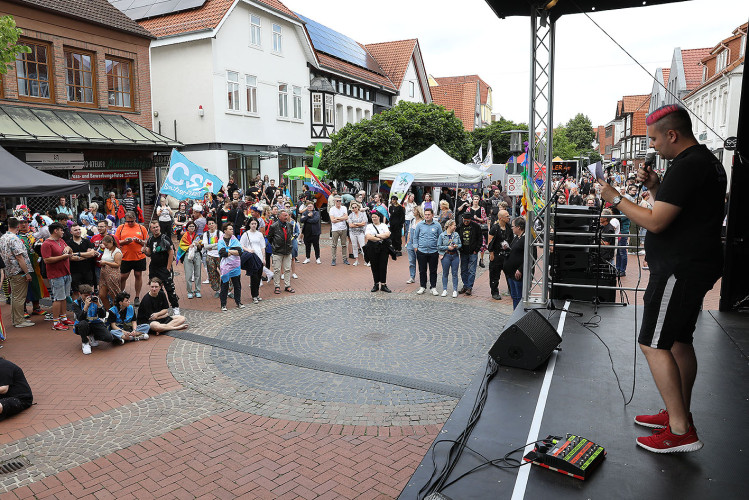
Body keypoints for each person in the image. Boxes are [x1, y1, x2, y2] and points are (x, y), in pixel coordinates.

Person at [597, 104, 726, 453]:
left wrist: (616, 198)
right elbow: (675, 213)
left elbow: (655, 223)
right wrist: (656, 188)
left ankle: (681, 430)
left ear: (672, 134)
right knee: (680, 341)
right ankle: (676, 412)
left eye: (654, 138)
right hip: (695, 264)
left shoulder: (687, 167)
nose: (652, 145)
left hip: (678, 269)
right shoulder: (707, 163)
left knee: (653, 343)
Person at [0, 218, 35, 328]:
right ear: (18, 226)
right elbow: (20, 257)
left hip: (10, 270)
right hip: (18, 271)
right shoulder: (14, 239)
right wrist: (27, 273)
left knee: (15, 296)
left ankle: (16, 319)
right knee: (19, 297)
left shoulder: (3, 237)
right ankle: (19, 320)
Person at [41, 222, 75, 331]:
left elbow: (69, 249)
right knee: (57, 298)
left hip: (66, 272)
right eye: (61, 230)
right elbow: (46, 259)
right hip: (56, 275)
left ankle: (63, 317)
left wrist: (68, 249)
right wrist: (63, 256)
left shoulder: (61, 241)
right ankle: (56, 322)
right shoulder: (47, 244)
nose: (63, 232)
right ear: (55, 230)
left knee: (64, 297)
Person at [144, 221, 180, 316]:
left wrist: (168, 268)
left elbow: (171, 253)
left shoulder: (165, 238)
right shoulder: (150, 239)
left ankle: (175, 307)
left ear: (159, 227)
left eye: (157, 227)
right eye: (153, 228)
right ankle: (159, 308)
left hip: (164, 267)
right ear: (151, 229)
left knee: (170, 288)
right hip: (153, 268)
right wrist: (144, 251)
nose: (156, 229)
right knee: (155, 288)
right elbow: (150, 253)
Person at [73, 284, 119, 355]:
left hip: (95, 323)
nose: (87, 297)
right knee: (82, 324)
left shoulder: (95, 300)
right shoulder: (76, 303)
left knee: (108, 338)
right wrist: (85, 307)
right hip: (83, 324)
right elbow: (80, 318)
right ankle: (85, 342)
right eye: (85, 295)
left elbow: (102, 315)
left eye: (89, 295)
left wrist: (99, 305)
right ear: (80, 294)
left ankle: (93, 335)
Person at [115, 211, 148, 306]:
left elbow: (146, 242)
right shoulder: (121, 228)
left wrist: (140, 241)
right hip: (125, 257)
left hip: (139, 256)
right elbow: (116, 241)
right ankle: (121, 295)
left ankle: (137, 297)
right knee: (123, 276)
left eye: (131, 221)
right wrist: (124, 242)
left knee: (138, 275)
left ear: (135, 219)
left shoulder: (142, 228)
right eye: (127, 221)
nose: (129, 223)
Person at [412, 207, 441, 295]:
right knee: (422, 270)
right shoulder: (420, 225)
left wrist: (439, 249)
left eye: (429, 214)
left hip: (433, 252)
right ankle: (422, 286)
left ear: (432, 215)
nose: (427, 216)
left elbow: (440, 237)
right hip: (421, 251)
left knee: (433, 270)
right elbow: (415, 237)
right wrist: (416, 247)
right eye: (426, 214)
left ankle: (433, 287)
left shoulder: (437, 225)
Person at [217, 223, 244, 310]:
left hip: (235, 266)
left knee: (237, 285)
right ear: (225, 231)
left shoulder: (235, 239)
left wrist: (229, 251)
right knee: (224, 285)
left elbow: (240, 251)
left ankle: (238, 302)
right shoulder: (221, 241)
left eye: (232, 229)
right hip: (225, 266)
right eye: (230, 229)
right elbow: (222, 253)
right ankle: (223, 304)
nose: (232, 230)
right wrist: (233, 251)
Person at [267, 210, 295, 294]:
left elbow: (290, 236)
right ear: (279, 217)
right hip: (277, 251)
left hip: (287, 250)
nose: (286, 217)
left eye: (287, 215)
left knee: (287, 269)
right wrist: (275, 246)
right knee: (277, 270)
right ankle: (277, 286)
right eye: (284, 216)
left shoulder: (290, 225)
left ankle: (287, 285)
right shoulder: (274, 226)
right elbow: (269, 238)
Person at [488, 210, 512, 300]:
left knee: (509, 274)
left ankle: (512, 290)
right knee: (494, 274)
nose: (508, 218)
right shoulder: (495, 228)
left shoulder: (509, 227)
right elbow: (490, 242)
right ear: (501, 218)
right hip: (497, 254)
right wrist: (491, 253)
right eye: (507, 216)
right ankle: (494, 292)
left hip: (507, 254)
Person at [364, 211, 391, 293]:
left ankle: (383, 284)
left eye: (375, 217)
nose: (374, 219)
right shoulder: (369, 226)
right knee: (374, 266)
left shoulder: (384, 225)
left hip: (383, 248)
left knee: (383, 266)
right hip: (372, 248)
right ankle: (376, 284)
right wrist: (380, 238)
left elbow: (387, 234)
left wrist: (375, 236)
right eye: (372, 217)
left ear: (379, 217)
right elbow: (368, 236)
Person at [240, 218, 265, 304]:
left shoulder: (260, 234)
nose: (254, 225)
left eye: (255, 223)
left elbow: (262, 246)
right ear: (249, 225)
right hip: (251, 257)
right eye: (252, 223)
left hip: (259, 257)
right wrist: (248, 250)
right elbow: (241, 245)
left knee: (259, 276)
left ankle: (257, 294)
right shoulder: (246, 234)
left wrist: (264, 258)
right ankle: (254, 295)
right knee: (253, 277)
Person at [503, 217, 526, 309]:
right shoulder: (516, 237)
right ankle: (514, 314)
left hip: (517, 274)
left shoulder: (526, 239)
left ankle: (518, 315)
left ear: (519, 227)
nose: (512, 228)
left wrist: (520, 269)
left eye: (513, 226)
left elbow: (531, 257)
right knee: (514, 296)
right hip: (510, 272)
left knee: (519, 297)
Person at [458, 212, 482, 296]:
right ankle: (465, 285)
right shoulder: (459, 226)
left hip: (473, 252)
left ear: (470, 220)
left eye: (467, 221)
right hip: (463, 251)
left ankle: (469, 287)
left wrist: (476, 249)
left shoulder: (476, 227)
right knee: (463, 270)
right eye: (465, 220)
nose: (466, 222)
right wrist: (460, 249)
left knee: (472, 270)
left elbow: (480, 239)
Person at [437, 219, 462, 297]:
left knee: (455, 273)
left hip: (455, 255)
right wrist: (447, 247)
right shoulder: (442, 235)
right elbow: (438, 246)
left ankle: (455, 290)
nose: (455, 226)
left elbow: (460, 244)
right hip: (446, 255)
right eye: (454, 225)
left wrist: (457, 246)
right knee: (445, 273)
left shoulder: (456, 234)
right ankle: (445, 290)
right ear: (450, 226)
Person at [97, 234, 122, 309]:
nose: (105, 246)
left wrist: (105, 263)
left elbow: (118, 264)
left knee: (114, 294)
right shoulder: (106, 249)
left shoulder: (117, 252)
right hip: (104, 274)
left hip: (112, 274)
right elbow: (102, 253)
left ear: (111, 242)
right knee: (102, 295)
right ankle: (109, 311)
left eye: (106, 244)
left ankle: (117, 311)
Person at [202, 218, 223, 297]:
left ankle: (227, 290)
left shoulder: (219, 233)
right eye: (209, 224)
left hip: (220, 255)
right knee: (212, 273)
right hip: (210, 255)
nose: (211, 225)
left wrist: (212, 246)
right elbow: (205, 246)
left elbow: (221, 244)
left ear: (215, 224)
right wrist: (215, 245)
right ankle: (217, 289)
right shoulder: (206, 234)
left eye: (212, 223)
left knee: (225, 272)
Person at [328, 196, 349, 266]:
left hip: (343, 228)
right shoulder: (332, 209)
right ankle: (333, 259)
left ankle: (345, 258)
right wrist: (342, 218)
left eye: (340, 201)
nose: (339, 202)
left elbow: (346, 217)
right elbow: (332, 220)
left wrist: (337, 218)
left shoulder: (344, 208)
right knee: (334, 245)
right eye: (337, 201)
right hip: (335, 229)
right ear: (334, 201)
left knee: (344, 244)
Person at [405, 206, 423, 282]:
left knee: (421, 262)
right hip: (411, 244)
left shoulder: (422, 221)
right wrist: (407, 242)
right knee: (411, 261)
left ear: (418, 212)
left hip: (419, 244)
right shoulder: (413, 220)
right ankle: (412, 277)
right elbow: (409, 231)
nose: (413, 212)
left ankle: (422, 277)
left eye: (414, 210)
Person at [347, 202, 368, 266]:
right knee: (354, 246)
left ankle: (366, 260)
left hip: (361, 232)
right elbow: (350, 225)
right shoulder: (350, 215)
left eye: (355, 207)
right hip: (352, 233)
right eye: (352, 208)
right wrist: (359, 224)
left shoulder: (362, 214)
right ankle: (356, 260)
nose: (354, 209)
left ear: (358, 207)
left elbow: (364, 223)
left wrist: (355, 224)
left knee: (362, 246)